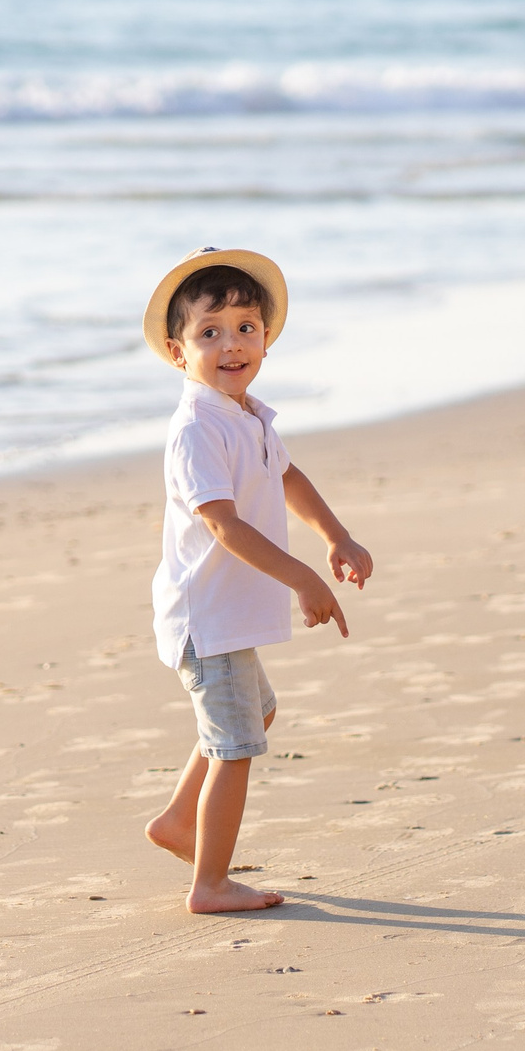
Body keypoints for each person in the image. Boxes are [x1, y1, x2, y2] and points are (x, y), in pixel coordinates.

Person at [140, 247, 374, 913]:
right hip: (205, 620)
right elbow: (222, 525)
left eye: (245, 327)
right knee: (236, 744)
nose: (231, 344)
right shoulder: (196, 429)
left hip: (226, 617)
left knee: (253, 713)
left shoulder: (250, 416)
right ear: (177, 350)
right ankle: (210, 883)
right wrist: (302, 577)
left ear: (266, 338)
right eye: (208, 332)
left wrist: (336, 536)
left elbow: (287, 477)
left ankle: (179, 822)